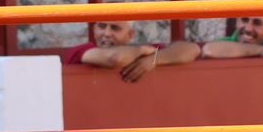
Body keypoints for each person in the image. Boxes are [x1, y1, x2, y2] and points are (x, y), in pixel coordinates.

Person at [62, 20, 199, 83]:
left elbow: (192, 49)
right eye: (102, 26)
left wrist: (154, 59)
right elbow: (115, 58)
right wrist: (142, 51)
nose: (106, 33)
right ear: (94, 28)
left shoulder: (144, 53)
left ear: (130, 34)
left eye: (115, 28)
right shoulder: (81, 50)